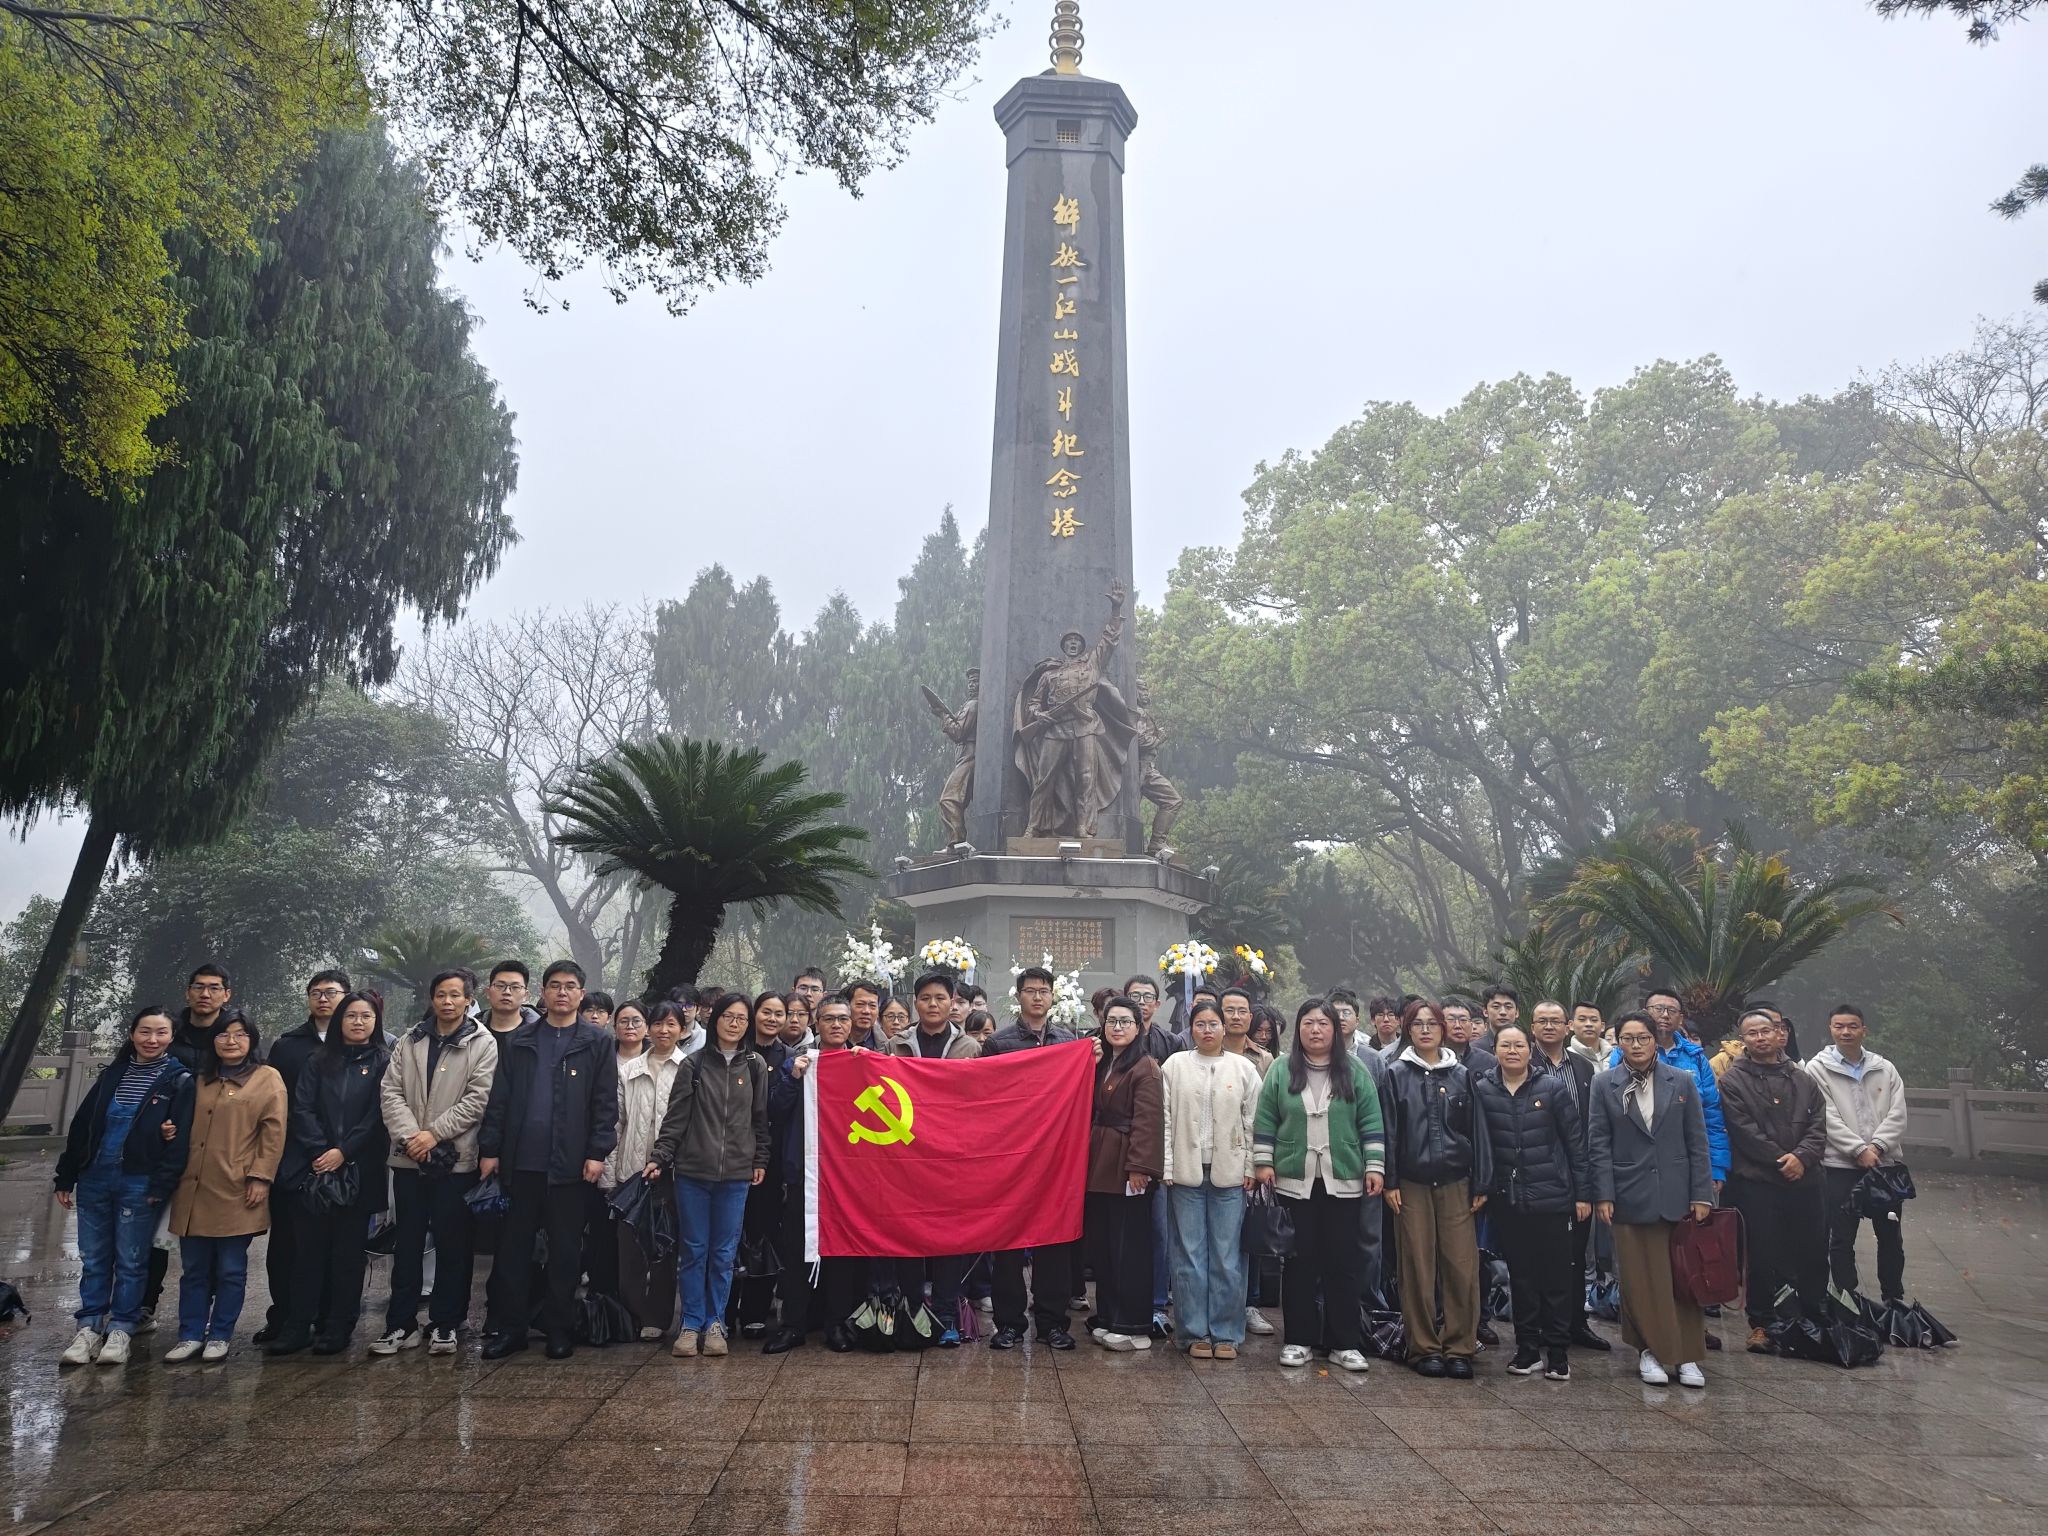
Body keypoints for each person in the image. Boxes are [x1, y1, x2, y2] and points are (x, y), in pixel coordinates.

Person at [478, 960, 619, 1360]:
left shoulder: (596, 1042)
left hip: (570, 1166)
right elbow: (499, 1099)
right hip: (520, 1163)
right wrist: (490, 1149)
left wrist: (596, 1152)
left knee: (565, 1251)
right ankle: (511, 1328)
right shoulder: (521, 1040)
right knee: (513, 1250)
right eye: (555, 985)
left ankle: (559, 1328)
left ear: (581, 994)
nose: (562, 992)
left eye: (570, 986)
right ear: (542, 992)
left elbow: (605, 1104)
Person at [1254, 997, 1385, 1374]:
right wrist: (1263, 1162)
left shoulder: (1355, 1069)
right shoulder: (1282, 1068)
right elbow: (1266, 1117)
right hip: (1294, 1181)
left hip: (1343, 1180)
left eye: (1323, 1023)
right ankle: (1299, 1339)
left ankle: (1345, 1343)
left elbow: (1371, 1120)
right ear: (1298, 1029)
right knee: (1299, 1262)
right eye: (1308, 1023)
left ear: (1335, 1030)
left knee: (1342, 1262)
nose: (1316, 1030)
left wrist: (1375, 1166)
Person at [55, 1007, 192, 1366]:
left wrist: (162, 1184)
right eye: (145, 1031)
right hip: (95, 1177)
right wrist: (66, 1176)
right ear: (132, 1034)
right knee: (94, 1258)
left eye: (161, 1033)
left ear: (172, 1037)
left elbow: (181, 1141)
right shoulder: (113, 1074)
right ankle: (88, 1326)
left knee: (132, 1259)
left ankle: (121, 1328)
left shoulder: (179, 1081)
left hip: (139, 1182)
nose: (152, 1040)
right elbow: (83, 1126)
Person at [376, 968, 497, 1356]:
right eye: (441, 994)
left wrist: (434, 1134)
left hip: (455, 1161)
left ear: (468, 1000)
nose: (448, 1001)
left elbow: (478, 1099)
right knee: (407, 1244)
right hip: (408, 1160)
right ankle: (400, 1324)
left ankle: (446, 1323)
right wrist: (412, 1137)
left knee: (452, 1244)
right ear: (432, 998)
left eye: (455, 995)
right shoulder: (410, 1040)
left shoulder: (482, 1042)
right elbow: (390, 1091)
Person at [1590, 1011, 1714, 1388]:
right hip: (1629, 1194)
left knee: (1682, 1279)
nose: (1636, 1045)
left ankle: (1687, 1355)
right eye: (1627, 1039)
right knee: (1640, 1280)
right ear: (1618, 1043)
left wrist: (1702, 1194)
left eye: (1643, 1038)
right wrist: (1603, 1193)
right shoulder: (1604, 1083)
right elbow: (1598, 1142)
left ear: (1655, 1040)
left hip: (1677, 1193)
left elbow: (1697, 1141)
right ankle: (1649, 1351)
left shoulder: (1681, 1080)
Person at [648, 992, 770, 1360]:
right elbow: (676, 1118)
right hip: (693, 1173)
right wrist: (661, 1156)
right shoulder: (695, 1065)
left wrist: (760, 1158)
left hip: (736, 1175)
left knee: (723, 1253)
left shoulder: (755, 1066)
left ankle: (716, 1323)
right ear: (715, 1019)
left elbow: (760, 1120)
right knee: (693, 1251)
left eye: (742, 1018)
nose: (735, 1023)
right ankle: (690, 1324)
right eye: (728, 1016)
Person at [269, 991, 390, 1356]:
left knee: (347, 1256)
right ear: (340, 1020)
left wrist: (343, 1151)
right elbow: (301, 1107)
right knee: (307, 1253)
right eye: (351, 1015)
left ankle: (339, 1326)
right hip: (314, 1169)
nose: (358, 1022)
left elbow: (377, 1115)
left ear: (376, 1022)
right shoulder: (318, 1060)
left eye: (366, 1016)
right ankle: (298, 1326)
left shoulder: (384, 1061)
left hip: (358, 1169)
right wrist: (319, 1150)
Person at [167, 1015, 287, 1361]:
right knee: (193, 1269)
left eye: (240, 1034)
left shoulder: (267, 1078)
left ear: (252, 1040)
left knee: (230, 1269)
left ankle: (220, 1334)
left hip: (237, 1187)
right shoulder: (199, 1078)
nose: (231, 1041)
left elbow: (273, 1132)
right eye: (223, 1034)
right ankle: (190, 1334)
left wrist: (261, 1176)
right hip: (194, 1186)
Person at [1472, 1025, 1588, 1380]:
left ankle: (1558, 1351)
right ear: (1495, 1050)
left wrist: (1584, 1193)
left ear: (1529, 1049)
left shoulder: (1551, 1088)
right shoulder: (1482, 1090)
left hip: (1553, 1198)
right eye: (1505, 1045)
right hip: (1508, 1201)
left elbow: (1575, 1144)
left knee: (1556, 1277)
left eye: (1519, 1045)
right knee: (1521, 1278)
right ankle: (1527, 1349)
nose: (1512, 1051)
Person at [1381, 999, 1489, 1378]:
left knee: (1462, 1265)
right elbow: (1389, 1131)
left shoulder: (1462, 1075)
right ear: (1407, 1030)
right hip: (1411, 1183)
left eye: (1432, 1023)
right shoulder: (1395, 1074)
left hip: (1457, 1181)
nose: (1425, 1030)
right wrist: (1390, 1181)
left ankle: (1459, 1347)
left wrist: (1481, 1180)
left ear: (1443, 1029)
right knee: (1416, 1266)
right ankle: (1423, 1347)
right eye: (1418, 1024)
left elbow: (1477, 1130)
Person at [982, 965, 1082, 1350]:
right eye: (1030, 990)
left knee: (1053, 1241)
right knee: (1007, 1243)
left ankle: (1051, 1323)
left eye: (1044, 990)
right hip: (1011, 1156)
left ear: (1053, 996)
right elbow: (987, 1099)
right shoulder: (999, 1043)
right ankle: (1009, 1323)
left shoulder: (1068, 1042)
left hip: (1056, 1157)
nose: (1037, 997)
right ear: (1018, 995)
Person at [1719, 1008, 1828, 1352]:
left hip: (1806, 1180)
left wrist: (1802, 1158)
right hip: (1758, 1182)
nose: (1760, 1038)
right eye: (1752, 1033)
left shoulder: (1803, 1078)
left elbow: (1818, 1125)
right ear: (1743, 1040)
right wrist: (1784, 1160)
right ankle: (1762, 1323)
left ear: (1779, 1034)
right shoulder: (1732, 1081)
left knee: (1813, 1251)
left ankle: (1813, 1316)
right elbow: (1743, 1131)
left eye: (1766, 1031)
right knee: (1761, 1256)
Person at [1159, 998, 1261, 1360]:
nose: (1207, 1030)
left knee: (1228, 1256)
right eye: (1200, 1024)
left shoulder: (1244, 1068)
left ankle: (1227, 1332)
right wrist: (1167, 1166)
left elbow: (1253, 1121)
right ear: (1190, 1029)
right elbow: (1164, 1120)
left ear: (1224, 1027)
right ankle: (1193, 1331)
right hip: (1185, 1175)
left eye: (1213, 1024)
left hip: (1230, 1177)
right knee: (1188, 1255)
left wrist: (1250, 1166)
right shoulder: (1174, 1065)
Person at [764, 996, 865, 1353]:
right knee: (797, 1253)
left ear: (851, 1024)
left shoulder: (862, 1063)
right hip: (804, 1176)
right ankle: (794, 1325)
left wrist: (870, 1068)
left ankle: (836, 1324)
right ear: (816, 1024)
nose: (837, 1025)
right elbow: (775, 1110)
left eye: (843, 1019)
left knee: (842, 1253)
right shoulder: (799, 1062)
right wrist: (793, 1078)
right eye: (829, 1019)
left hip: (847, 1178)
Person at [256, 969, 349, 1344]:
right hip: (294, 1157)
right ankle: (284, 1316)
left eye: (331, 992)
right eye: (316, 992)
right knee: (286, 1243)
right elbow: (275, 1101)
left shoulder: (357, 1042)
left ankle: (327, 1317)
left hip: (343, 1158)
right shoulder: (288, 1045)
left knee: (333, 1244)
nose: (323, 999)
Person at [1804, 1003, 1911, 1304]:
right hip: (1839, 1165)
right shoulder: (1817, 1068)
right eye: (1839, 1026)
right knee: (1841, 1237)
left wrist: (1877, 1147)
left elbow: (1898, 1113)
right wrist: (1857, 1149)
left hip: (1883, 1164)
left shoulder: (1884, 1068)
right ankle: (1846, 1300)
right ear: (1830, 1029)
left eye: (1852, 1026)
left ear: (1864, 1029)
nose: (1846, 1032)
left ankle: (1893, 1299)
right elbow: (1824, 1115)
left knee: (1890, 1235)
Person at [603, 1000, 691, 1338]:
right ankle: (633, 1313)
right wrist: (611, 1174)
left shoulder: (689, 1068)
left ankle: (657, 1318)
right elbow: (617, 1124)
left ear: (682, 1030)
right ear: (648, 1028)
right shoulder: (628, 1070)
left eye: (671, 1024)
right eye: (657, 1023)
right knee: (630, 1250)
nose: (663, 1030)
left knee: (665, 1248)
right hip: (631, 1172)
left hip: (673, 1174)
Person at [1528, 999, 1609, 1353]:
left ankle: (1576, 1323)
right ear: (1532, 1027)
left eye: (1555, 1021)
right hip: (1537, 1171)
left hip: (1578, 1170)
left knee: (1576, 1254)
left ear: (1567, 1027)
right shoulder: (1524, 1062)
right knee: (1540, 1254)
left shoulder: (1583, 1067)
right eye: (1542, 1021)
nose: (1549, 1026)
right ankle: (1541, 1326)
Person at [1084, 996, 1164, 1351]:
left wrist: (1139, 1169)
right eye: (1111, 1021)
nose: (1117, 1028)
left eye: (1125, 1022)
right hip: (1100, 1161)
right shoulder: (1105, 1062)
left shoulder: (1145, 1067)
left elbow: (1148, 1122)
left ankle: (1134, 1325)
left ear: (1138, 1026)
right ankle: (1108, 1316)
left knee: (1129, 1247)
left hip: (1127, 1166)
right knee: (1105, 1246)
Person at [1611, 988, 1730, 1189]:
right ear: (1645, 1012)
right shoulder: (1625, 1054)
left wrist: (1717, 1165)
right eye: (1658, 1009)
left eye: (1672, 1011)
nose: (1665, 1015)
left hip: (1689, 1157)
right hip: (1638, 1162)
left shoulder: (1696, 1058)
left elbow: (1711, 1114)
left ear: (1680, 1018)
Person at [734, 990, 794, 1338]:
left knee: (764, 1233)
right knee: (731, 1234)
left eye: (779, 1014)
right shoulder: (735, 1051)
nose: (772, 1019)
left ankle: (755, 1311)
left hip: (772, 1159)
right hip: (732, 1154)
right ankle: (725, 1309)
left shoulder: (790, 1058)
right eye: (766, 1012)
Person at [482, 960, 538, 1037]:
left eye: (515, 987)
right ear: (488, 992)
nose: (507, 992)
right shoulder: (471, 1031)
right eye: (500, 986)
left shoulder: (540, 1033)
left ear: (525, 995)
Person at [1220, 989, 1272, 1071]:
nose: (1236, 1017)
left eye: (1242, 1011)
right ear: (1218, 1015)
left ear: (1250, 1017)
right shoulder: (1205, 1052)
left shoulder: (1265, 1059)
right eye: (1230, 1011)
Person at [846, 979, 884, 1052]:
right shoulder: (827, 1042)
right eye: (860, 1004)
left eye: (872, 1005)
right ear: (847, 1007)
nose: (866, 1011)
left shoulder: (887, 1047)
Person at [1479, 984, 1522, 1049]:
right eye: (1496, 1007)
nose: (1503, 1012)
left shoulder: (1528, 1048)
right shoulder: (1475, 1050)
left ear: (1516, 1012)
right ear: (1485, 1012)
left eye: (1508, 1007)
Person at [1569, 1001, 1608, 1068]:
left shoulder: (1616, 1055)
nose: (1588, 1024)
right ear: (1571, 1025)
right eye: (1582, 1019)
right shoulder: (1565, 1057)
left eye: (1594, 1020)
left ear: (1602, 1026)